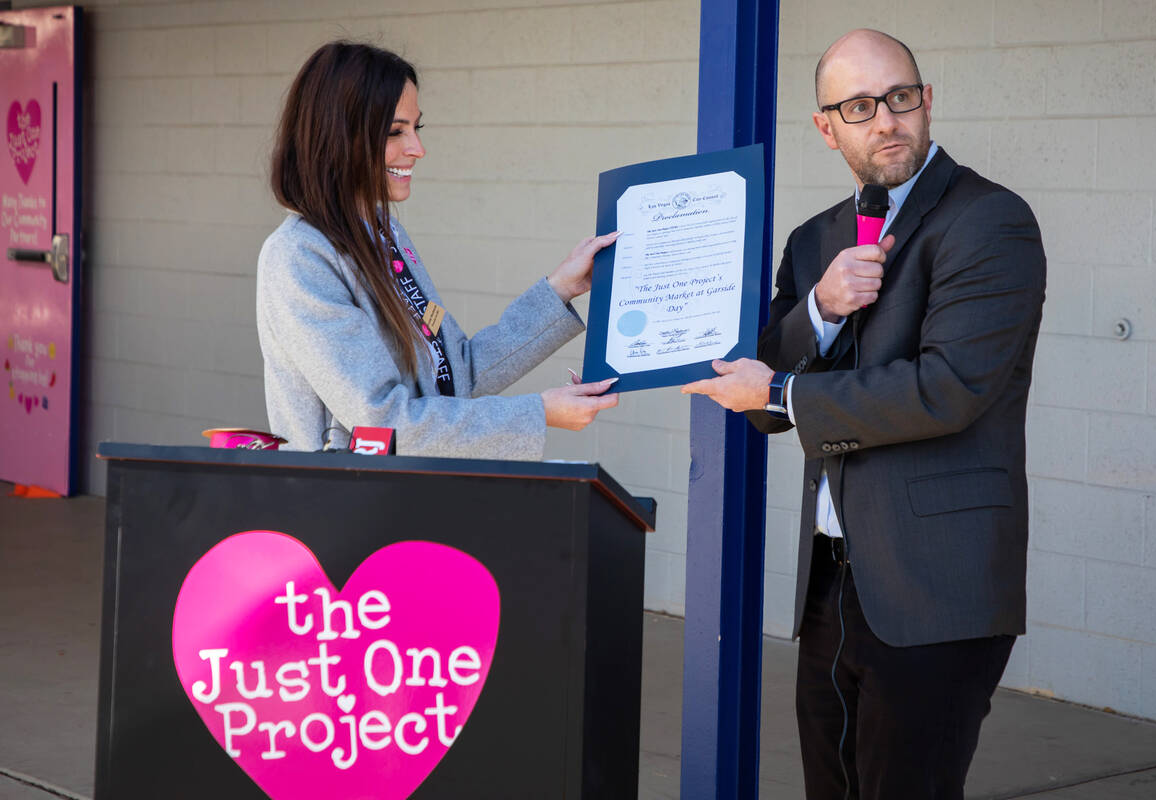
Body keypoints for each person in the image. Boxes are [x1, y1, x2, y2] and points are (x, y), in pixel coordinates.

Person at [682, 29, 1046, 800]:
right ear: (826, 127)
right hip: (830, 583)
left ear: (927, 101)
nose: (886, 120)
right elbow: (763, 404)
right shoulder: (814, 241)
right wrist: (818, 306)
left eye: (900, 97)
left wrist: (779, 392)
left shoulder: (989, 222)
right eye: (859, 105)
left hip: (935, 586)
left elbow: (946, 388)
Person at [257, 41, 618, 458]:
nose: (417, 149)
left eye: (417, 128)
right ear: (340, 137)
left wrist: (560, 289)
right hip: (348, 509)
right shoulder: (299, 256)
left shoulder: (381, 232)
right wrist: (536, 413)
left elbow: (454, 375)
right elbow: (383, 424)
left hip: (412, 500)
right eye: (395, 132)